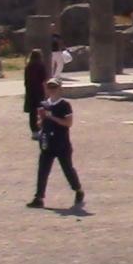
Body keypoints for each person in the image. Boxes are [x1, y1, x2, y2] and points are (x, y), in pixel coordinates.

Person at [26, 80, 84, 209]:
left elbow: (68, 123)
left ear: (60, 89)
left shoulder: (64, 105)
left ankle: (78, 189)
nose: (52, 89)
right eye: (50, 87)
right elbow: (40, 124)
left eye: (54, 87)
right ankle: (39, 197)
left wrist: (51, 117)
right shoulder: (44, 104)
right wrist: (41, 119)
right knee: (42, 170)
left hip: (62, 143)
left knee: (67, 169)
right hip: (47, 142)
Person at [23, 49, 48, 140]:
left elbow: (26, 81)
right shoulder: (41, 66)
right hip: (39, 91)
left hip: (30, 91)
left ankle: (34, 131)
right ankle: (42, 129)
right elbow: (43, 81)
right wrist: (46, 92)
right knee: (41, 111)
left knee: (32, 113)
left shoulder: (28, 66)